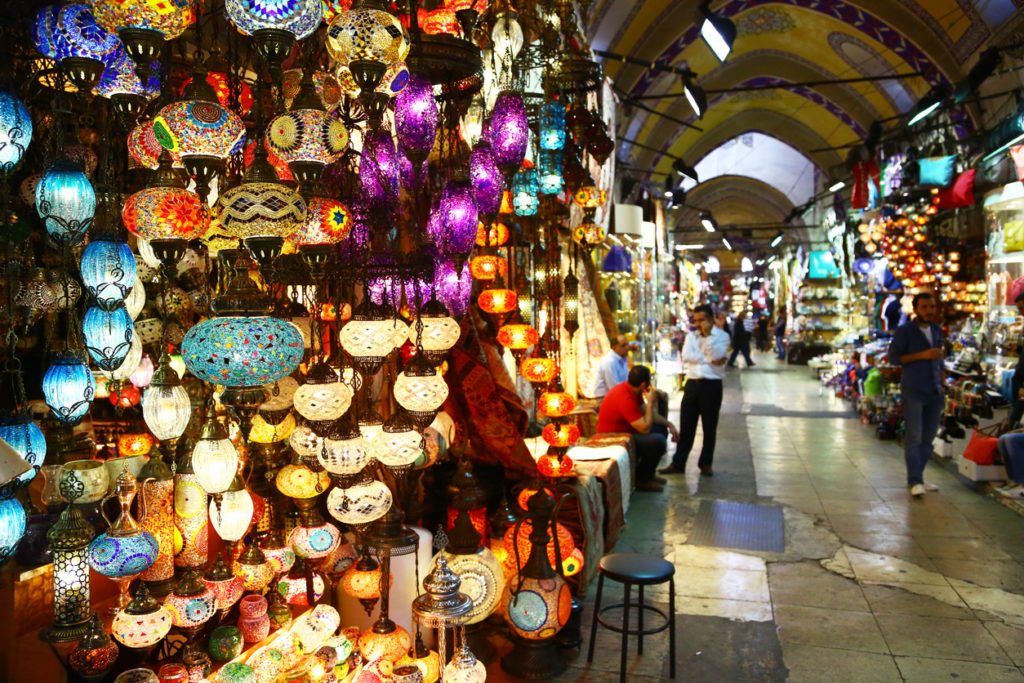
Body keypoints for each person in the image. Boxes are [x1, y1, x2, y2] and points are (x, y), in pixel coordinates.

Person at [660, 304, 730, 476]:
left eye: (701, 320)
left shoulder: (722, 336)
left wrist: (706, 341)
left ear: (711, 319)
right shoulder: (691, 336)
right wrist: (707, 359)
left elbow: (717, 356)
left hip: (712, 386)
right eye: (696, 320)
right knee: (687, 426)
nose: (698, 324)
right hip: (692, 385)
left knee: (709, 427)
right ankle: (678, 463)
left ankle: (705, 463)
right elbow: (686, 357)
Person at [889, 292, 944, 497]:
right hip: (914, 389)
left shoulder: (937, 330)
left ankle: (917, 475)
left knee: (928, 438)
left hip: (935, 390)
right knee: (914, 436)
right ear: (915, 309)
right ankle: (915, 480)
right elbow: (894, 358)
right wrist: (923, 355)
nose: (929, 310)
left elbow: (938, 358)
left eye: (931, 306)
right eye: (924, 307)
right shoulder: (905, 331)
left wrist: (942, 379)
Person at [596, 365, 678, 492]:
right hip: (614, 438)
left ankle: (648, 474)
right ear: (644, 384)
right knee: (658, 441)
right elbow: (644, 428)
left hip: (627, 431)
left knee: (661, 429)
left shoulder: (632, 390)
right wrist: (650, 402)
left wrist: (669, 425)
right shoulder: (625, 398)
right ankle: (642, 480)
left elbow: (649, 415)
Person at [593, 334, 630, 399]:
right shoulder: (609, 362)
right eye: (623, 346)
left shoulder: (622, 359)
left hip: (617, 395)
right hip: (605, 399)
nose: (627, 348)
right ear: (614, 347)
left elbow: (626, 382)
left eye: (627, 344)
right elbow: (614, 388)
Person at [1007, 292, 1024, 427]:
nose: (1020, 313)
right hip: (1019, 382)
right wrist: (1018, 349)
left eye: (1022, 308)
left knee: (1013, 425)